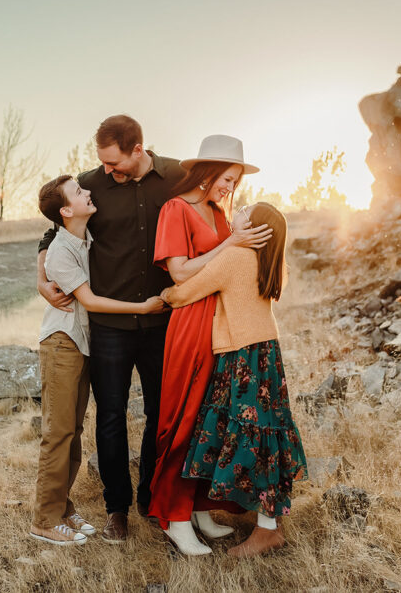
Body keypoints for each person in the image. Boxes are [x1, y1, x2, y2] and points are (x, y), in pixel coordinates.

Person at [148, 134, 272, 556]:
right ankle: (173, 515)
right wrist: (230, 244)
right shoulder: (176, 210)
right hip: (191, 323)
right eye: (226, 178)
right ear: (207, 171)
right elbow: (180, 274)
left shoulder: (222, 213)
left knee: (210, 421)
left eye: (235, 181)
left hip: (223, 327)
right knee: (183, 418)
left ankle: (200, 508)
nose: (230, 187)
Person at [161, 202, 307, 557]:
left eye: (243, 211)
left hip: (242, 356)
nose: (236, 213)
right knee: (267, 435)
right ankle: (265, 523)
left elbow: (187, 290)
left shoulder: (236, 258)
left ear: (253, 228)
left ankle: (267, 530)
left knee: (244, 434)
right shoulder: (273, 263)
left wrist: (164, 296)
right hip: (267, 354)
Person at [31, 174, 167, 546]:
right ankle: (44, 518)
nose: (88, 192)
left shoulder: (81, 237)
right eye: (79, 192)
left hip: (80, 344)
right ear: (65, 210)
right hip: (62, 343)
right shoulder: (61, 250)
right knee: (58, 432)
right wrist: (142, 307)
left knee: (72, 431)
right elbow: (89, 300)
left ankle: (62, 506)